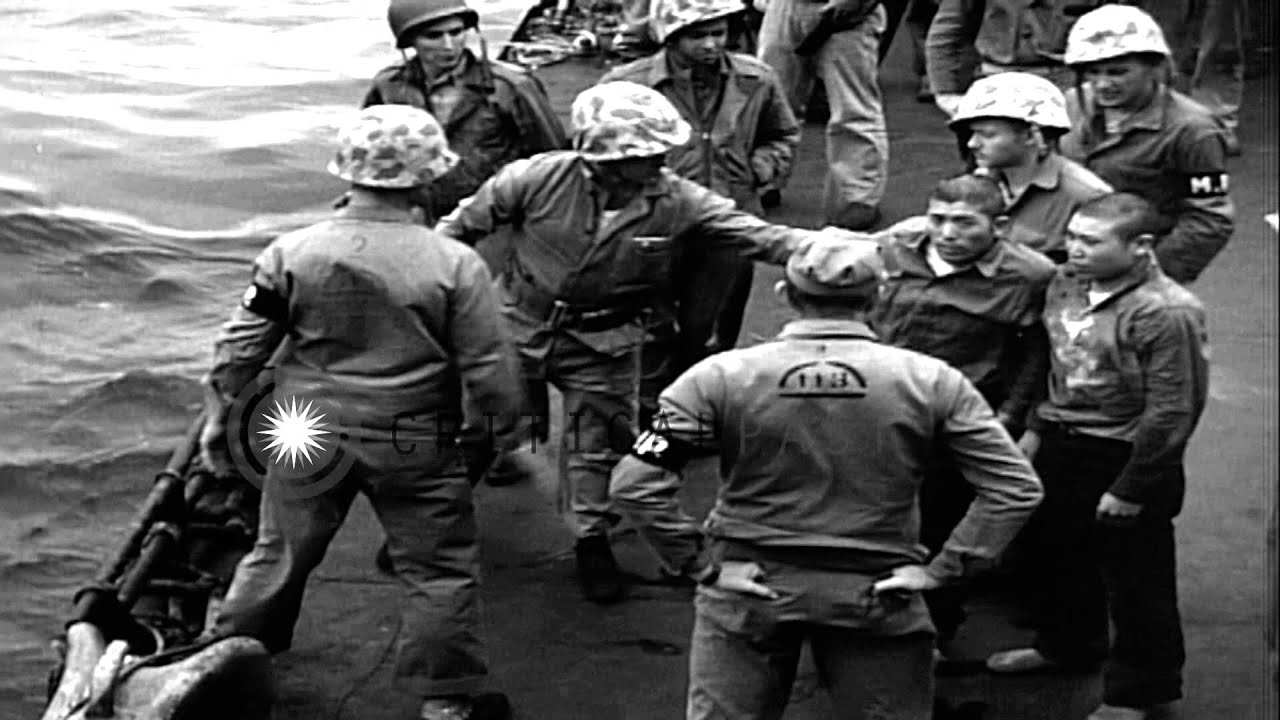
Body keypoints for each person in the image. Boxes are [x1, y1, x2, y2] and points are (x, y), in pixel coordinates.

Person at [609, 234, 1044, 720]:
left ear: (785, 296)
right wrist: (946, 570)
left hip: (748, 587)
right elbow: (1014, 487)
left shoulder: (713, 378)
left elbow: (634, 481)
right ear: (877, 297)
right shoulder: (933, 381)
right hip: (876, 590)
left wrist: (699, 564)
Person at [435, 81, 831, 605]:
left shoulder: (677, 200)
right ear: (601, 160)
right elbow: (454, 231)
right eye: (642, 155)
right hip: (516, 322)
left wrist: (827, 248)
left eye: (659, 151)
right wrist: (437, 291)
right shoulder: (533, 178)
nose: (658, 162)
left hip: (606, 338)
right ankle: (436, 525)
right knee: (482, 427)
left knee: (593, 445)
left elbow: (754, 234)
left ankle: (590, 538)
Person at [198, 105, 524, 720]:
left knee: (278, 552)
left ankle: (225, 670)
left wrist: (219, 413)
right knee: (439, 568)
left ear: (346, 174)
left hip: (304, 428)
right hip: (412, 434)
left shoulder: (292, 252)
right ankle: (446, 703)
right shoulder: (454, 264)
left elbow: (240, 349)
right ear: (428, 178)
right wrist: (502, 432)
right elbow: (489, 369)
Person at [985, 193, 1210, 720]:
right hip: (1064, 439)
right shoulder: (1067, 282)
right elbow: (1053, 356)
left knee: (1137, 581)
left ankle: (1141, 691)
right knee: (1056, 555)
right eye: (1074, 237)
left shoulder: (1165, 311)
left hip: (1127, 453)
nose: (1074, 249)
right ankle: (1067, 645)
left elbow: (1173, 409)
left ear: (1140, 247)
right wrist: (1037, 425)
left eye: (1091, 241)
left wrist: (1131, 487)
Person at [867, 174, 1055, 656]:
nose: (947, 233)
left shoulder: (1029, 276)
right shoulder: (893, 248)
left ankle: (935, 629)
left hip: (958, 416)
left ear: (1000, 226)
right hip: (877, 409)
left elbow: (1036, 354)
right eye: (938, 219)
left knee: (943, 520)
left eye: (964, 223)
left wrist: (1013, 420)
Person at [600, 0, 801, 372]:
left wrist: (759, 169)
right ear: (670, 36)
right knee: (647, 330)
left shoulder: (756, 79)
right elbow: (596, 151)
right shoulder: (626, 85)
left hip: (730, 219)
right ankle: (653, 410)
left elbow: (783, 133)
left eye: (718, 33)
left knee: (714, 329)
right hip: (652, 223)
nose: (711, 45)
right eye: (698, 35)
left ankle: (704, 407)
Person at [1060, 3, 1235, 285]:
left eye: (1117, 72)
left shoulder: (1192, 130)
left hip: (1139, 269)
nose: (1102, 84)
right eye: (1093, 73)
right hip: (1070, 260)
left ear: (1154, 67)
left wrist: (1149, 274)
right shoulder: (1073, 105)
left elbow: (1209, 220)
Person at [364, 0, 567, 224]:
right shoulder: (389, 86)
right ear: (410, 41)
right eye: (434, 36)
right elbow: (370, 154)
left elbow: (552, 159)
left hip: (493, 217)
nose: (449, 45)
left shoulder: (511, 86)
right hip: (418, 215)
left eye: (456, 32)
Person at [948, 71, 1112, 261]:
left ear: (1030, 136)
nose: (973, 144)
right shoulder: (975, 185)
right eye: (972, 134)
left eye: (988, 134)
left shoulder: (1087, 196)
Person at [756, 0, 889, 230]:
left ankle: (856, 198)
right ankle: (763, 177)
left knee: (853, 109)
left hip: (849, 10)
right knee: (770, 101)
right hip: (785, 6)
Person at [926, 0, 1099, 119]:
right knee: (994, 161)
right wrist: (946, 92)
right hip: (999, 80)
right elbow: (949, 27)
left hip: (1072, 80)